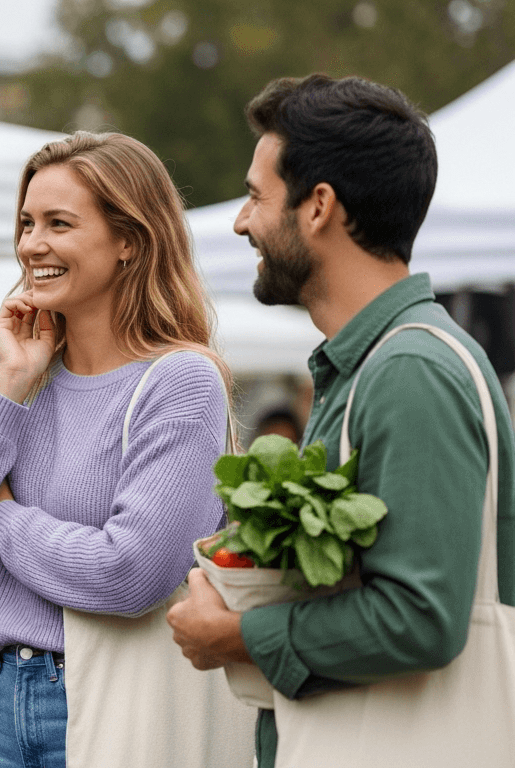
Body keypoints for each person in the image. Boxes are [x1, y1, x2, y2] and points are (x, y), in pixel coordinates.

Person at [166, 74, 515, 766]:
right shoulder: (374, 367)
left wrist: (239, 633)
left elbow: (422, 618)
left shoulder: (409, 371)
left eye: (256, 196)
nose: (241, 222)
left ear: (319, 205)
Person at [0, 132, 235, 768]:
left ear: (130, 240)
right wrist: (8, 381)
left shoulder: (180, 381)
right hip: (3, 698)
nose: (32, 245)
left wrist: (0, 518)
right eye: (27, 224)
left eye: (59, 223)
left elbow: (129, 573)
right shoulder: (19, 385)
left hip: (112, 698)